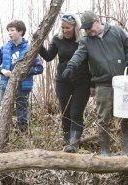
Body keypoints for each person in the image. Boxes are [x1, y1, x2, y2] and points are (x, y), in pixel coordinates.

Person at [62, 10, 128, 156]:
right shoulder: (86, 41)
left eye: (90, 27)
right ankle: (105, 151)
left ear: (98, 21)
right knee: (103, 118)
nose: (88, 31)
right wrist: (71, 66)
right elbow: (79, 54)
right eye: (86, 29)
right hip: (103, 83)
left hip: (123, 82)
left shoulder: (116, 31)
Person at [39, 13, 91, 153]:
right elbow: (49, 57)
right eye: (62, 27)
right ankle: (68, 142)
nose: (65, 30)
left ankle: (74, 144)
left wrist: (94, 84)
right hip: (63, 81)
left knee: (76, 113)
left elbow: (91, 60)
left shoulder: (83, 40)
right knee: (66, 112)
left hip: (82, 81)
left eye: (67, 27)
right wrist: (38, 45)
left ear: (75, 27)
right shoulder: (57, 39)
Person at [0, 20, 43, 132]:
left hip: (23, 86)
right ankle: (3, 137)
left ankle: (23, 137)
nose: (9, 33)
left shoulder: (30, 48)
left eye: (12, 30)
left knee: (22, 113)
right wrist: (2, 71)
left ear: (20, 32)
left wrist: (23, 72)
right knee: (4, 112)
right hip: (6, 84)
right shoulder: (4, 48)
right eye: (8, 31)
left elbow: (39, 68)